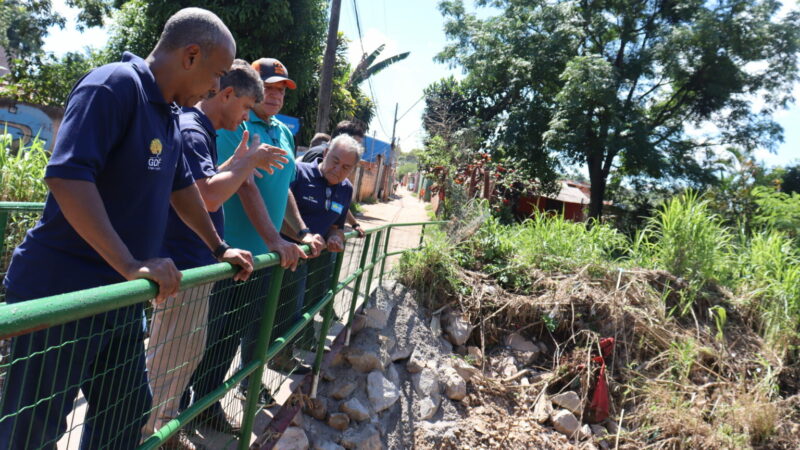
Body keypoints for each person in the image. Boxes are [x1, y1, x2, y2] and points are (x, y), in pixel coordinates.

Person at [0, 8, 254, 449]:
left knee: (128, 407)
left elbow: (181, 190)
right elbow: (67, 177)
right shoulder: (115, 86)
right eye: (215, 75)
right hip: (65, 292)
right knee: (34, 428)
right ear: (190, 55)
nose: (216, 88)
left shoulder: (169, 115)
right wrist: (131, 264)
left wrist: (218, 247)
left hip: (118, 293)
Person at [143, 60, 287, 449]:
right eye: (243, 107)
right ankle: (152, 433)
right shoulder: (193, 130)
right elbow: (206, 197)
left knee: (182, 355)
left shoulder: (200, 130)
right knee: (169, 358)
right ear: (226, 94)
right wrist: (248, 164)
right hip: (183, 264)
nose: (244, 117)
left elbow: (199, 183)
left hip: (191, 264)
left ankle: (163, 429)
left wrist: (238, 163)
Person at [186, 57, 325, 434]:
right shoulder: (237, 123)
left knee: (245, 332)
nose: (277, 95)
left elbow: (285, 190)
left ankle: (224, 393)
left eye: (282, 89)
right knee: (214, 337)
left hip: (264, 256)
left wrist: (301, 232)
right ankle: (199, 406)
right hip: (233, 254)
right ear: (253, 89)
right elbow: (243, 183)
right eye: (272, 87)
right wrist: (274, 239)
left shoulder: (283, 132)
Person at [283, 135, 361, 331]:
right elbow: (275, 217)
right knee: (283, 314)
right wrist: (304, 237)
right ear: (325, 153)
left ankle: (296, 349)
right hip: (283, 257)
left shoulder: (346, 189)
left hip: (317, 260)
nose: (337, 169)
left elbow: (338, 226)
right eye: (335, 161)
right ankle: (280, 358)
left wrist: (335, 238)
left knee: (309, 307)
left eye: (346, 167)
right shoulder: (298, 173)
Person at [300, 120, 367, 237]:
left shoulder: (345, 187)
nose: (355, 147)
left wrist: (352, 225)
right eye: (355, 142)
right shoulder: (315, 160)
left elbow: (338, 204)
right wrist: (304, 236)